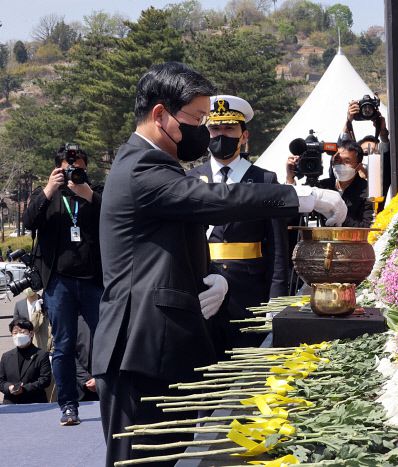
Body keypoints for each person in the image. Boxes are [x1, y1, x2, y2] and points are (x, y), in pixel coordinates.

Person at [92, 61, 346, 466]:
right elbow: (212, 199)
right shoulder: (141, 164)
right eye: (197, 120)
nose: (204, 131)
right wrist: (301, 197)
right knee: (140, 462)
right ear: (161, 115)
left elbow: (165, 246)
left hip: (159, 347)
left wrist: (209, 277)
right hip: (138, 349)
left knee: (168, 456)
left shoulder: (154, 165)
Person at [188, 95, 289, 354]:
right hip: (202, 291)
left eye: (229, 129)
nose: (221, 135)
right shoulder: (189, 179)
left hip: (249, 294)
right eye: (215, 129)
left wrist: (276, 300)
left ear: (244, 136)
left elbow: (278, 248)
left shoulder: (264, 180)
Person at [23, 143, 103, 426]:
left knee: (106, 339)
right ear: (56, 169)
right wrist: (49, 188)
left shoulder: (94, 193)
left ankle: (113, 397)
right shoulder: (47, 195)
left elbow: (113, 218)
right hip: (59, 282)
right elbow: (29, 221)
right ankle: (68, 406)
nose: (74, 174)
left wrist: (88, 194)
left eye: (79, 168)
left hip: (93, 280)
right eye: (69, 169)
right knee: (64, 345)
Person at [286, 139, 373, 227]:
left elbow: (368, 227)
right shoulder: (320, 187)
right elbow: (291, 217)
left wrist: (340, 215)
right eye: (337, 160)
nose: (341, 165)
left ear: (358, 166)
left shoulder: (368, 191)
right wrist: (290, 178)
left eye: (347, 161)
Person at [344, 101, 392, 202]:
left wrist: (382, 131)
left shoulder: (382, 179)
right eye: (366, 153)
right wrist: (348, 121)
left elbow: (387, 150)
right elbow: (342, 150)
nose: (371, 156)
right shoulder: (346, 178)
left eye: (375, 153)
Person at [0, 318, 52, 404]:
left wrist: (24, 389)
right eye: (15, 333)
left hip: (35, 402)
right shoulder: (6, 356)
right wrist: (9, 387)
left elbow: (45, 380)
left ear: (31, 333)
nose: (18, 335)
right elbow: (1, 380)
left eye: (22, 332)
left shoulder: (41, 355)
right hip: (11, 403)